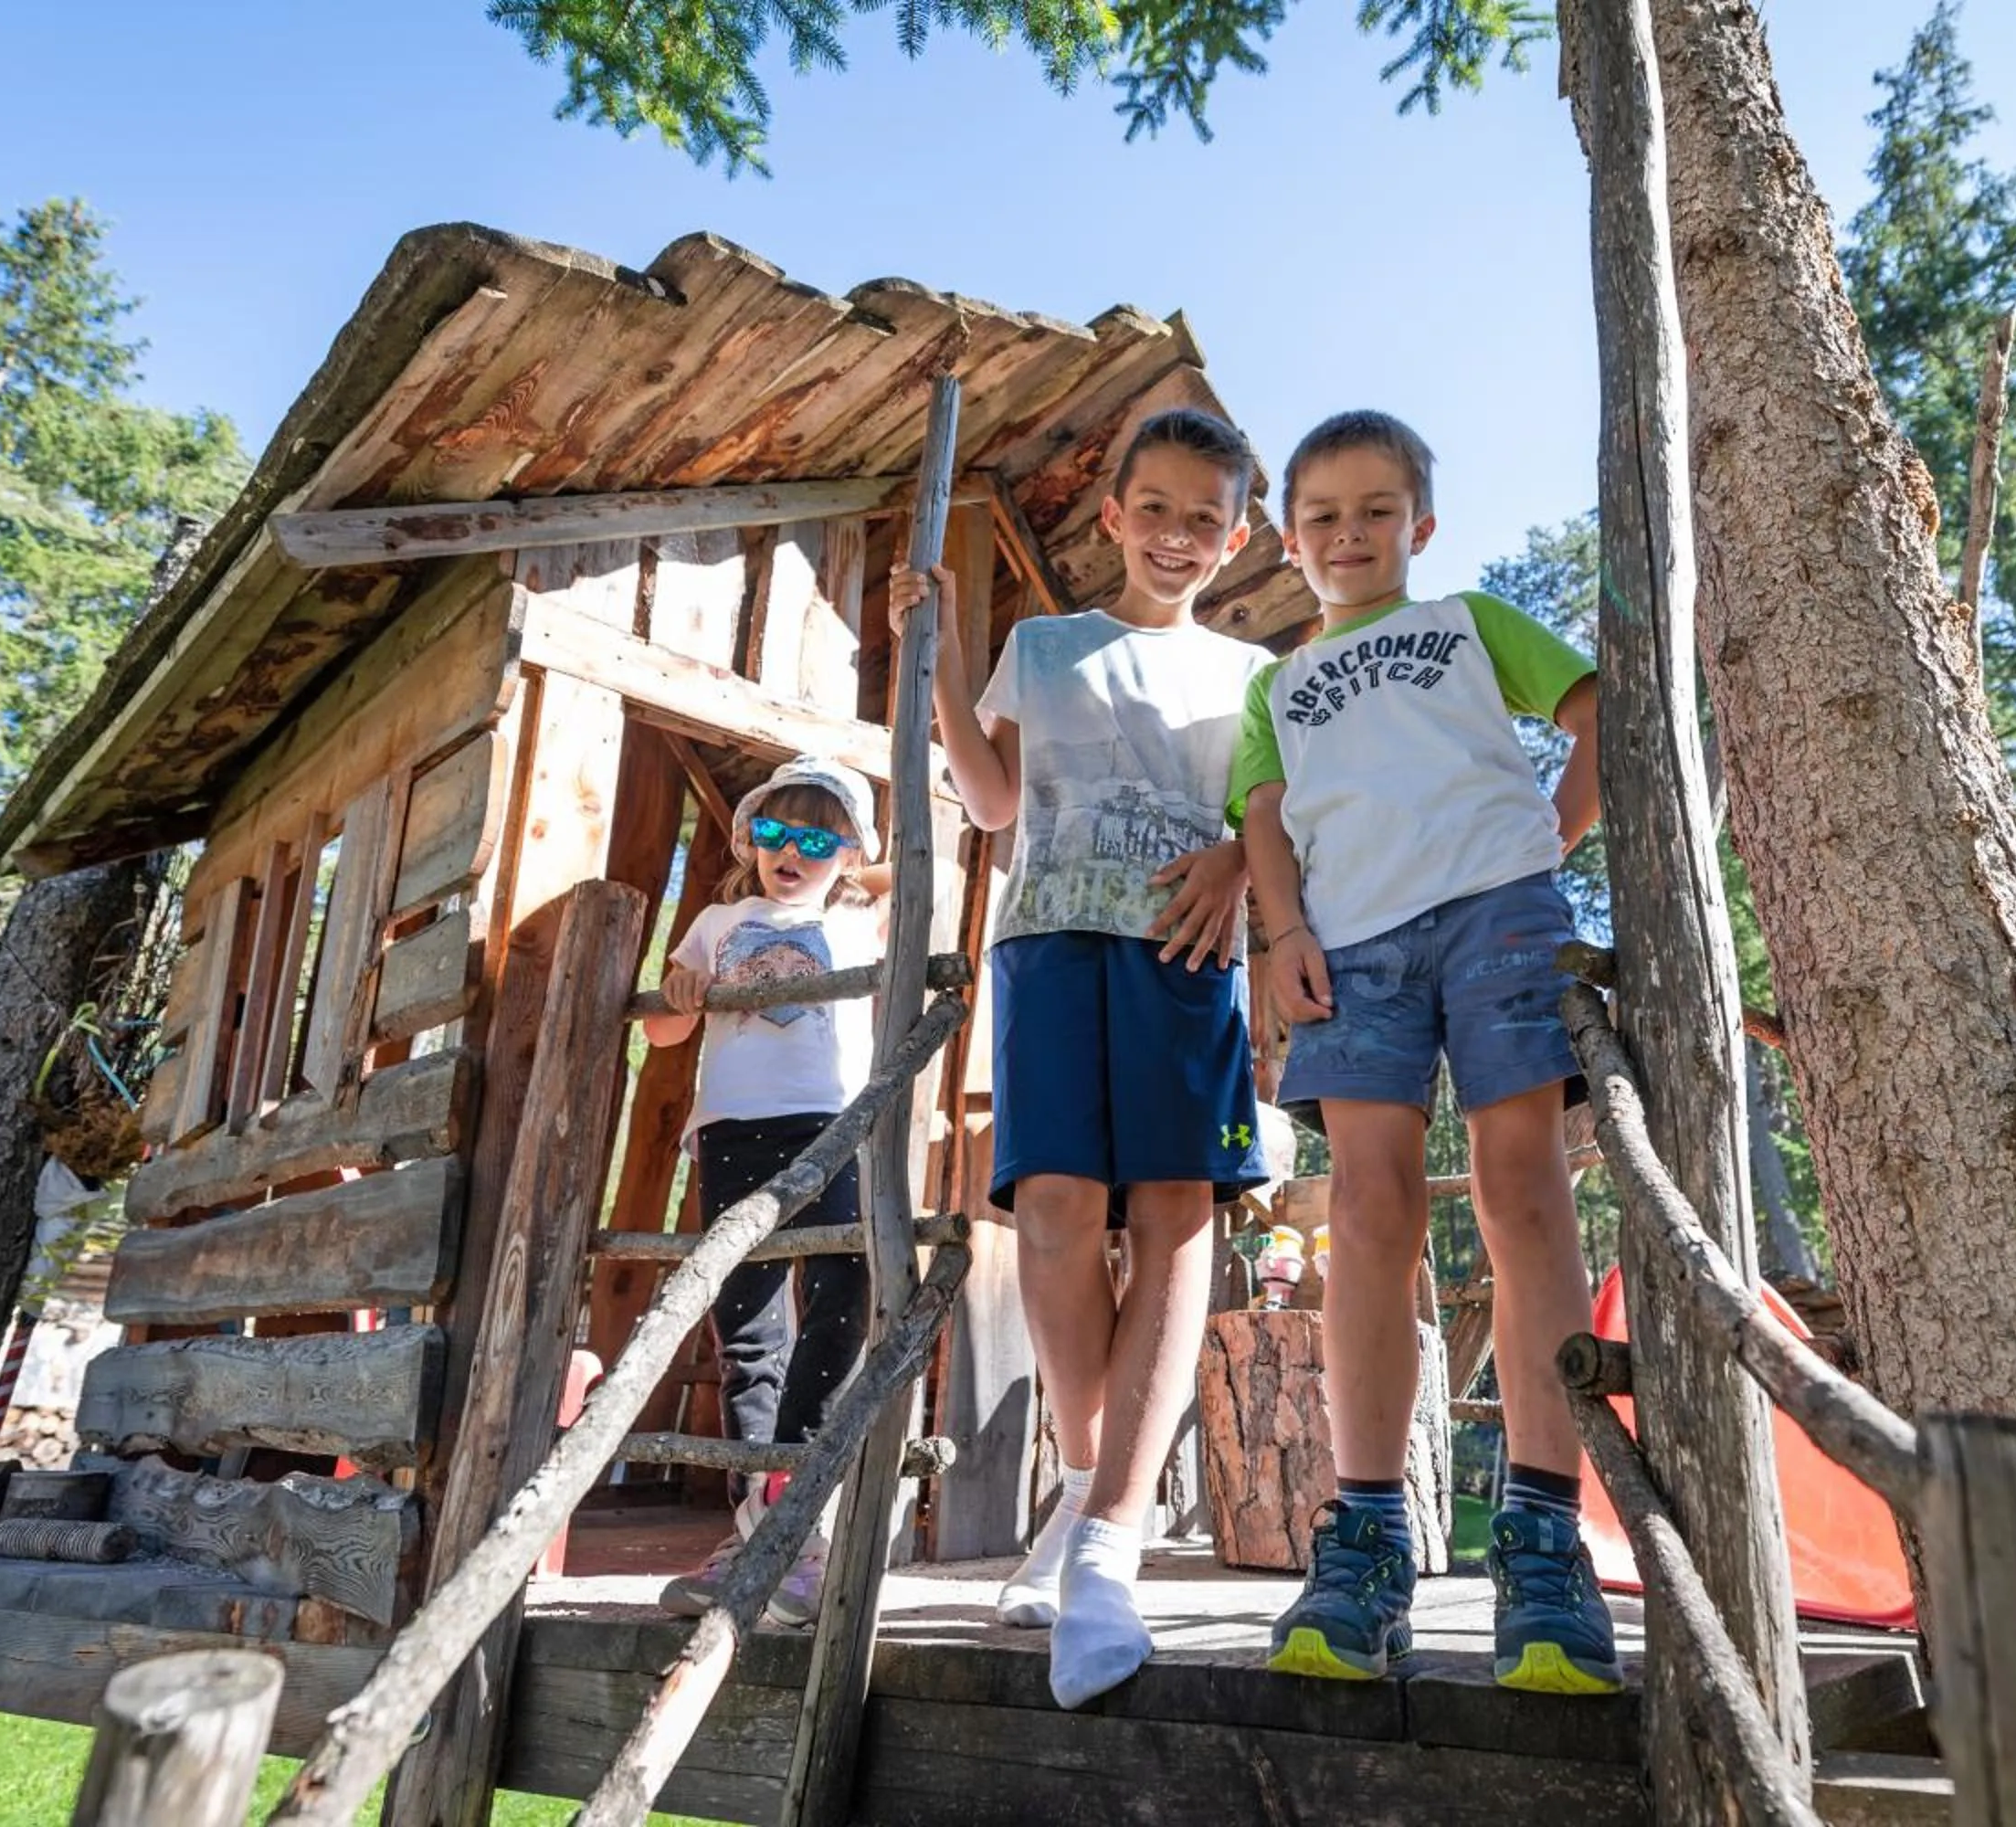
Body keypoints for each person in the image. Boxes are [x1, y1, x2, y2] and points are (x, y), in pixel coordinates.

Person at [1230, 408, 1620, 1695]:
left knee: (1523, 1193)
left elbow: (1596, 706)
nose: (1350, 533)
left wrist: (1550, 839)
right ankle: (1370, 1531)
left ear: (1421, 525)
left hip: (1500, 916)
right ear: (1292, 541)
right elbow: (1267, 821)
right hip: (1353, 948)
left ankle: (1543, 1536)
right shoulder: (1275, 685)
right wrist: (1281, 932)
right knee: (1369, 1209)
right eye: (1324, 516)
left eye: (1376, 511)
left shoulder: (1466, 625)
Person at [891, 406, 1271, 1708]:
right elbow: (996, 806)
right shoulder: (1043, 647)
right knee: (1052, 1208)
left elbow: (1267, 821)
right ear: (1112, 515)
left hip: (1184, 953)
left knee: (1172, 1213)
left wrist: (1232, 861)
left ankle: (1104, 1542)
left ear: (1234, 539)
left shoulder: (1252, 675)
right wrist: (931, 659)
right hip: (1050, 944)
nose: (1176, 535)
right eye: (1153, 507)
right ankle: (1093, 1491)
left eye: (1203, 519)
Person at [649, 755, 886, 1627]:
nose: (793, 852)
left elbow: (922, 882)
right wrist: (681, 990)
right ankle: (760, 1517)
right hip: (733, 1128)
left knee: (840, 1289)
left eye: (817, 838)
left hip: (831, 1123)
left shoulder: (862, 925)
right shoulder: (719, 918)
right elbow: (672, 1032)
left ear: (849, 855)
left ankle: (796, 1511)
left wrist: (875, 875)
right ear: (751, 840)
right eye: (777, 832)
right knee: (746, 1314)